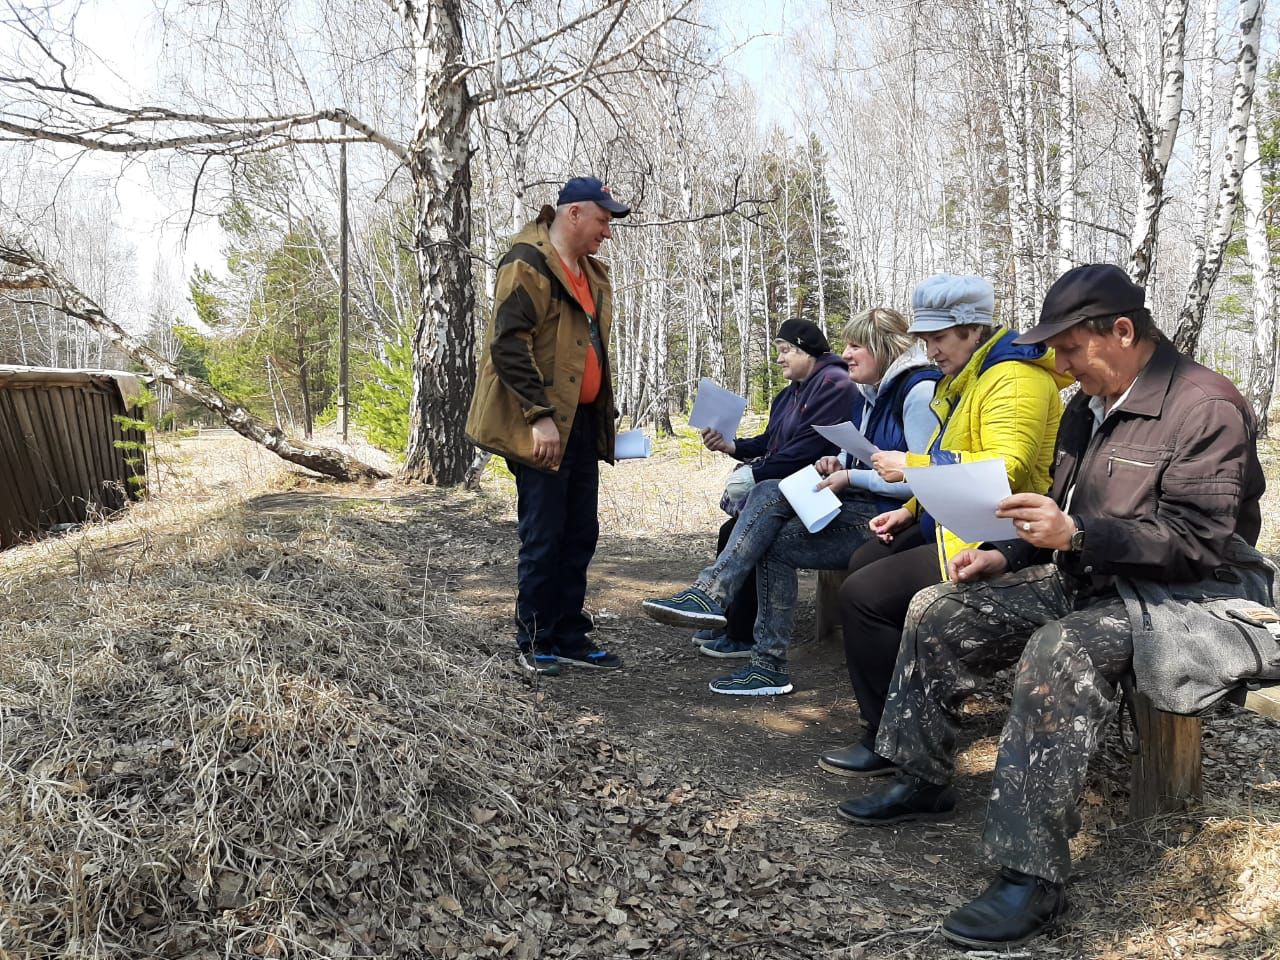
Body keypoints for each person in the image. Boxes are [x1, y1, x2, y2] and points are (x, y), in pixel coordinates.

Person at [838, 264, 1268, 950]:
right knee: (940, 606)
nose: (1059, 366)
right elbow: (1061, 515)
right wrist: (1006, 555)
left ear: (1123, 332)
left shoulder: (1203, 406)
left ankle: (1029, 874)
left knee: (1059, 649)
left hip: (1185, 596)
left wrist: (1081, 537)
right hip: (1093, 572)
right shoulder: (1084, 405)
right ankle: (921, 776)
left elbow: (1200, 543)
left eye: (1070, 349)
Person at [818, 274, 1069, 778]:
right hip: (965, 517)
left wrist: (910, 467)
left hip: (1004, 531)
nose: (930, 350)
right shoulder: (973, 376)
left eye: (939, 338)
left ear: (973, 329)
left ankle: (888, 738)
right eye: (926, 339)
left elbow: (1005, 467)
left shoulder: (1014, 378)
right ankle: (896, 715)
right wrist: (909, 510)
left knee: (864, 595)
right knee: (863, 559)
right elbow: (952, 457)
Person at [642, 307, 941, 695]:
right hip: (859, 505)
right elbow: (870, 454)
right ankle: (764, 663)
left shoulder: (916, 392)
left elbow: (921, 481)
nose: (846, 354)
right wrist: (840, 461)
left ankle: (714, 598)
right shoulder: (870, 392)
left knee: (768, 502)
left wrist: (851, 475)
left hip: (890, 520)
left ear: (883, 347)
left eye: (855, 346)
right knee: (774, 533)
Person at [465, 176, 630, 677]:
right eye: (603, 219)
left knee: (581, 531)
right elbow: (509, 345)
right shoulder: (528, 262)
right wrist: (539, 417)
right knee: (545, 533)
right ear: (574, 213)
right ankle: (535, 637)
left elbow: (584, 352)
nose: (607, 231)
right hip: (541, 425)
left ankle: (570, 635)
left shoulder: (591, 272)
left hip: (579, 423)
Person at [676, 317, 858, 659]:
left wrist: (756, 475)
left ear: (808, 350)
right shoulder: (789, 394)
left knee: (749, 534)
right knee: (731, 530)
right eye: (778, 350)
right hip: (786, 487)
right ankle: (727, 620)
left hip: (822, 490)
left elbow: (810, 448)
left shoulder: (834, 384)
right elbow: (771, 441)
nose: (779, 359)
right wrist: (734, 447)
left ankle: (742, 633)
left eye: (786, 350)